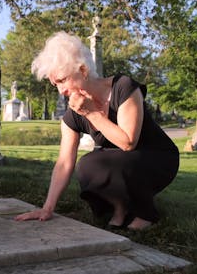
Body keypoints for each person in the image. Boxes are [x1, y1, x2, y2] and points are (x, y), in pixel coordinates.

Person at [14, 31, 179, 230]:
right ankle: (121, 208)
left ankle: (146, 213)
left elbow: (128, 142)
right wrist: (47, 208)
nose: (61, 90)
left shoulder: (123, 87)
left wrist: (92, 114)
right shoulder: (73, 113)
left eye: (63, 80)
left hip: (156, 157)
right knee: (88, 165)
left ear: (83, 70)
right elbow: (64, 162)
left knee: (109, 161)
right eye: (55, 84)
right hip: (121, 160)